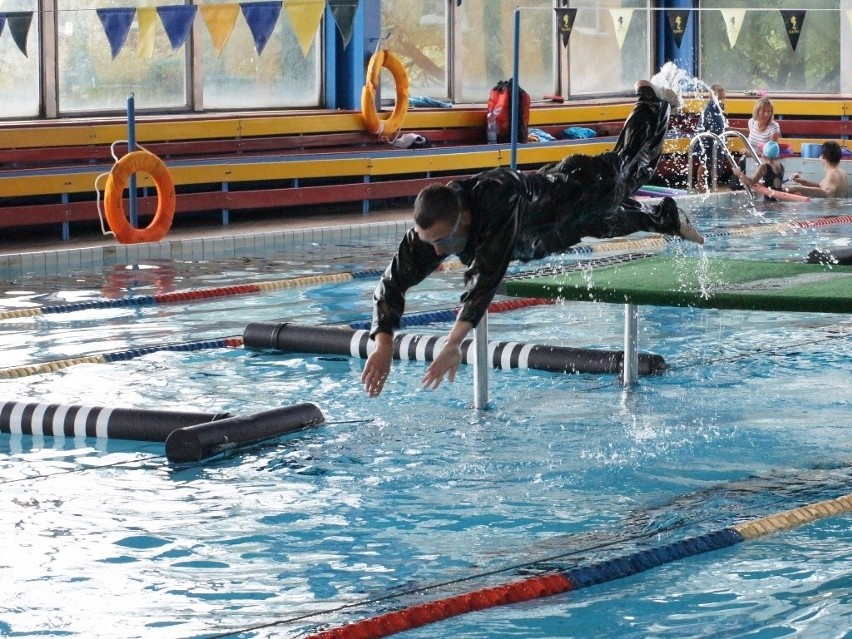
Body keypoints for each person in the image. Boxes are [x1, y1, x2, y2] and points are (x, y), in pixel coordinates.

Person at [361, 80, 705, 397]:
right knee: (609, 223)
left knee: (633, 169)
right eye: (430, 242)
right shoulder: (434, 226)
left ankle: (653, 105)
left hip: (580, 188)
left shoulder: (495, 197)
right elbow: (391, 283)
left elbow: (486, 275)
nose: (436, 250)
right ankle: (667, 216)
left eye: (443, 242)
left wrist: (453, 342)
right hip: (547, 232)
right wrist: (384, 343)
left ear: (463, 218)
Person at [693, 84, 729, 189]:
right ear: (712, 96)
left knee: (716, 162)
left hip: (716, 139)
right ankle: (699, 183)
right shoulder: (709, 109)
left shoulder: (718, 108)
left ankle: (714, 183)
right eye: (719, 97)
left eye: (723, 97)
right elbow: (705, 126)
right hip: (707, 140)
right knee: (705, 163)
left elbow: (720, 124)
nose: (722, 100)